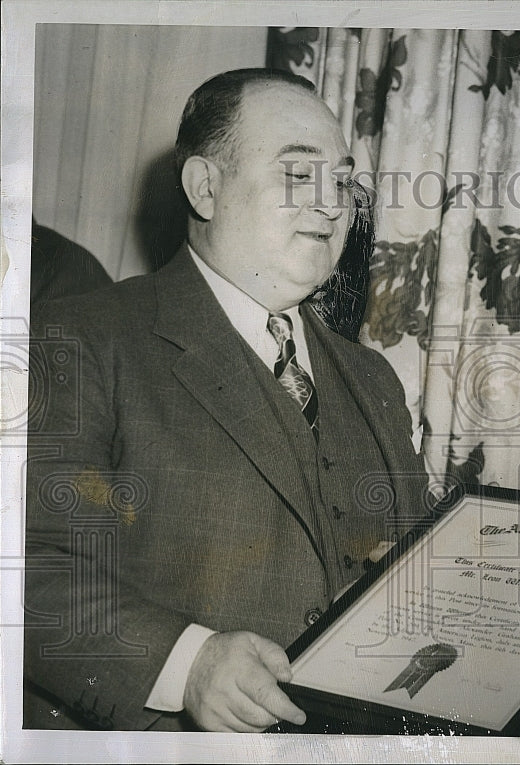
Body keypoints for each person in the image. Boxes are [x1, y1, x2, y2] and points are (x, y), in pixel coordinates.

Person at [24, 68, 428, 732]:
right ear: (205, 188)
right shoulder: (81, 339)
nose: (331, 205)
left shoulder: (374, 379)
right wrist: (187, 664)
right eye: (299, 175)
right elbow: (26, 568)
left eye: (342, 180)